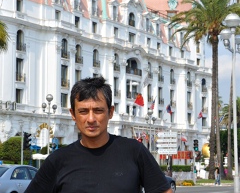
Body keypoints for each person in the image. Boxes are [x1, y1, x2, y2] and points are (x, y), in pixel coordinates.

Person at [25, 76, 171, 193]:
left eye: (98, 111)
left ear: (111, 112)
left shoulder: (134, 151)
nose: (91, 119)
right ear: (73, 114)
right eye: (83, 111)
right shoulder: (57, 160)